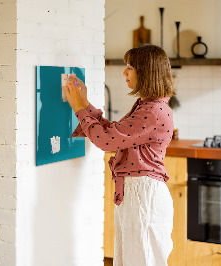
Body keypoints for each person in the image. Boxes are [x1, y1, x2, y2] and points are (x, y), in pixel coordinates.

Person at [63, 44, 175, 266]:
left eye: (130, 67)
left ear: (146, 72)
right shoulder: (148, 106)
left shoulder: (152, 111)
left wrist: (78, 108)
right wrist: (85, 104)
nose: (125, 73)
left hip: (143, 197)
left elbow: (106, 141)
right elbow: (114, 133)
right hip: (138, 195)